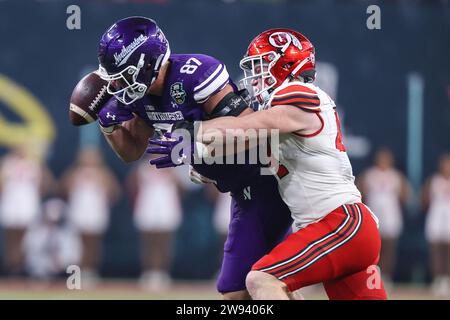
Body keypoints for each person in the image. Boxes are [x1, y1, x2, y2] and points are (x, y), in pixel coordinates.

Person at [163, 28, 388, 299]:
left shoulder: (299, 92)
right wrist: (201, 158)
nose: (255, 78)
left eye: (261, 66)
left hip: (339, 223)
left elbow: (252, 126)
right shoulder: (284, 114)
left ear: (287, 63)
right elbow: (243, 148)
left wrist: (195, 131)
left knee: (261, 280)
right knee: (270, 283)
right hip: (340, 229)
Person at [94, 16, 292, 299]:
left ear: (148, 63)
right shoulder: (140, 95)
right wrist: (109, 126)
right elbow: (131, 152)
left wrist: (196, 148)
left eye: (123, 76)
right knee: (246, 290)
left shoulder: (195, 73)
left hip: (264, 183)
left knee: (243, 290)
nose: (117, 86)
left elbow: (254, 134)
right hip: (241, 192)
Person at [61, 147, 120, 286]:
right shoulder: (75, 173)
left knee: (94, 243)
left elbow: (115, 192)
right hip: (79, 210)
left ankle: (91, 271)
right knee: (78, 244)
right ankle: (77, 272)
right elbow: (63, 188)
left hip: (95, 211)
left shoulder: (103, 173)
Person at [127, 158, 182, 290]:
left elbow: (183, 188)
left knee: (164, 244)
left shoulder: (174, 166)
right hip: (148, 207)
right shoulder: (143, 167)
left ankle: (162, 273)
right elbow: (131, 185)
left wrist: (172, 174)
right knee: (148, 244)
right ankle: (148, 272)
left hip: (166, 207)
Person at [357, 148, 410, 286]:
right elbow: (359, 192)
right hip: (374, 215)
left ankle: (386, 276)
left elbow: (405, 194)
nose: (383, 162)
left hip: (390, 216)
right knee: (373, 248)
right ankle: (372, 275)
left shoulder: (396, 176)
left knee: (389, 248)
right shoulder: (369, 175)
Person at [0, 144, 55, 276]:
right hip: (12, 201)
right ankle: (13, 266)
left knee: (26, 238)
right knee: (11, 236)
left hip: (27, 203)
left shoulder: (34, 163)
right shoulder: (8, 163)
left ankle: (21, 265)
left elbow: (46, 182)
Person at [422, 153, 450, 296]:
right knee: (436, 251)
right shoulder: (434, 181)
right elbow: (425, 199)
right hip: (437, 218)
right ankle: (438, 279)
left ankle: (447, 279)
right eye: (444, 165)